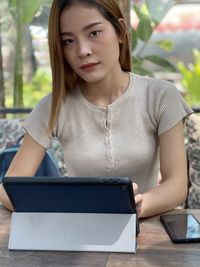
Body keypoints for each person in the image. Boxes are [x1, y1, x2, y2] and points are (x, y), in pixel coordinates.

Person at [0, 0, 193, 217]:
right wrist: (60, 207)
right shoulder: (53, 106)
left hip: (144, 230)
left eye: (94, 33)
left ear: (120, 31)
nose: (82, 51)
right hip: (77, 232)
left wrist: (138, 205)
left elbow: (176, 186)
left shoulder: (160, 96)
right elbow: (8, 189)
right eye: (68, 41)